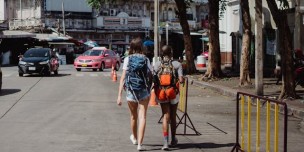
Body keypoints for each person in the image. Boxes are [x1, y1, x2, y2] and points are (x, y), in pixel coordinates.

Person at [117, 38, 152, 151]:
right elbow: (150, 75)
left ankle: (135, 138)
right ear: (142, 47)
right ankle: (140, 145)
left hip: (131, 90)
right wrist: (149, 88)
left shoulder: (127, 59)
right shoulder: (146, 59)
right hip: (143, 90)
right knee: (143, 117)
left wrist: (119, 96)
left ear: (131, 47)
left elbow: (123, 78)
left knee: (133, 116)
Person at [154, 45, 184, 150]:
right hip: (173, 93)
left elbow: (154, 79)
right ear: (171, 53)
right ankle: (173, 139)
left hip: (162, 93)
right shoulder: (177, 64)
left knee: (165, 116)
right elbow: (181, 80)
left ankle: (165, 143)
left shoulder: (157, 65)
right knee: (173, 116)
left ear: (161, 54)